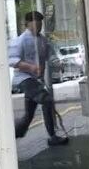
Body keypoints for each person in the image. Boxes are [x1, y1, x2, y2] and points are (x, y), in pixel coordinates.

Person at [8, 11, 69, 146]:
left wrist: (58, 64)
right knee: (47, 100)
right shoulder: (20, 40)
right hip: (24, 79)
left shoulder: (43, 40)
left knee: (29, 115)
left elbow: (50, 55)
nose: (39, 26)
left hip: (36, 80)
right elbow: (12, 60)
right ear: (28, 24)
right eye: (36, 23)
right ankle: (52, 136)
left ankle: (13, 134)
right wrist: (31, 67)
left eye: (40, 23)